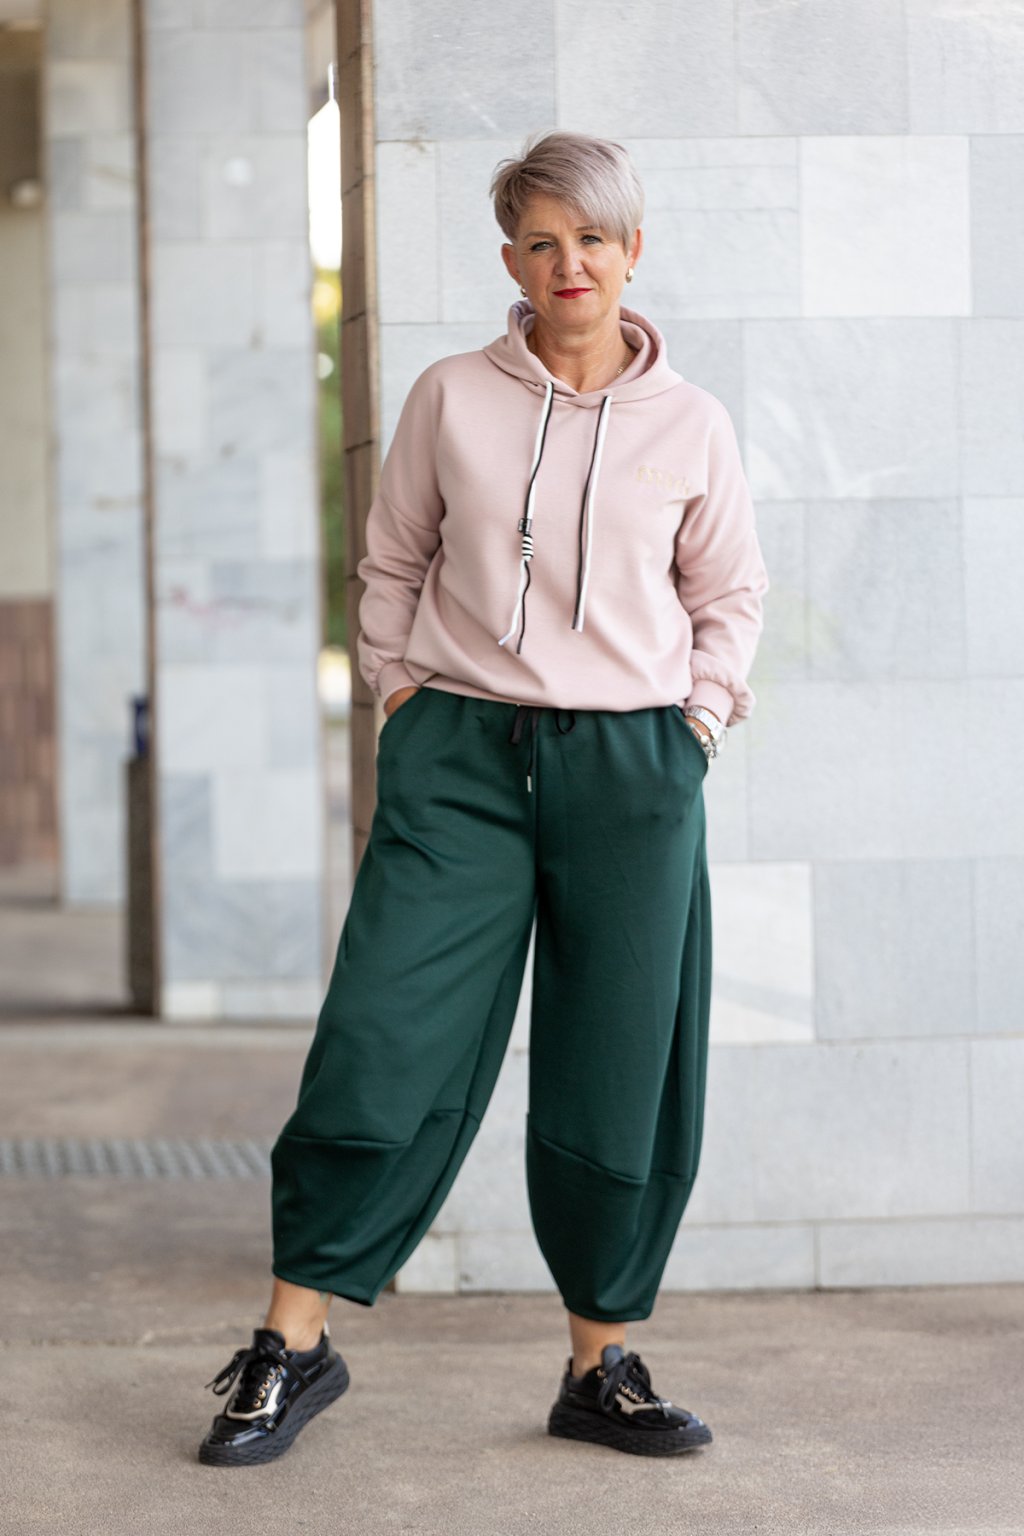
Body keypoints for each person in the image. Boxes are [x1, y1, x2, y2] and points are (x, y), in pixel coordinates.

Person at [197, 130, 769, 1467]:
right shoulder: (451, 396)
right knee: (380, 1039)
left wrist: (695, 726)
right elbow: (391, 560)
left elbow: (729, 596)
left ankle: (600, 1362)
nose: (570, 264)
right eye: (542, 242)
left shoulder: (692, 424)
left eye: (593, 239)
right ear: (510, 260)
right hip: (459, 756)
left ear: (633, 252)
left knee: (620, 1063)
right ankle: (291, 1342)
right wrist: (402, 698)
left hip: (633, 769)